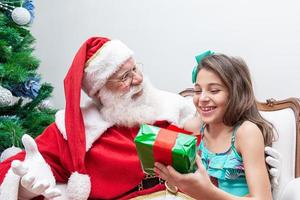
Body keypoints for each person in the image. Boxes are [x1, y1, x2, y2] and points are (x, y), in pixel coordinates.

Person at [0, 38, 280, 200]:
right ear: (100, 91)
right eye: (123, 76)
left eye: (135, 69)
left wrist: (264, 172)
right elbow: (21, 167)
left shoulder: (172, 110)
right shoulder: (76, 131)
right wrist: (25, 186)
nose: (137, 79)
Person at [155, 52, 273, 199]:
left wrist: (207, 193)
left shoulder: (246, 132)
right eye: (198, 91)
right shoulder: (195, 128)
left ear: (235, 93)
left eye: (214, 90)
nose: (202, 98)